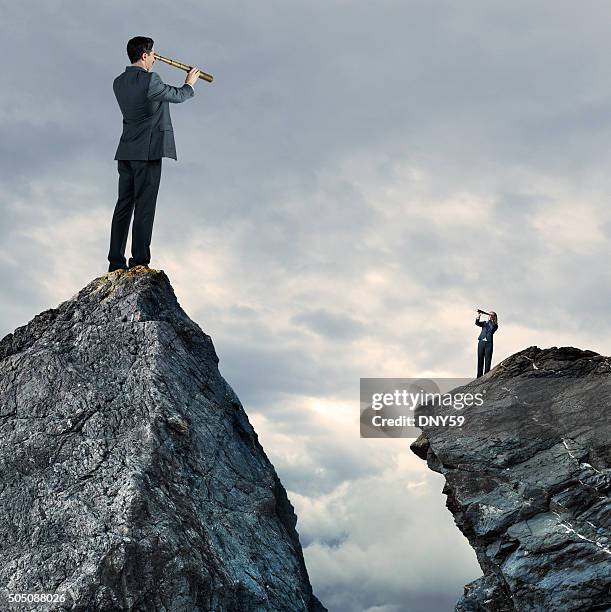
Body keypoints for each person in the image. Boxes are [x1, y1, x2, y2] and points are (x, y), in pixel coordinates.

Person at [107, 36, 201, 272]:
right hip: (147, 152)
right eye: (153, 55)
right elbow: (178, 95)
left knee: (123, 207)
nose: (155, 59)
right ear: (145, 55)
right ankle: (139, 261)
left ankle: (115, 263)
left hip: (126, 151)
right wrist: (190, 83)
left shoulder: (118, 82)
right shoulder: (151, 80)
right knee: (144, 207)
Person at [475, 310, 498, 377]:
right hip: (481, 342)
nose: (490, 316)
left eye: (491, 315)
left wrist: (491, 319)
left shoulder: (495, 325)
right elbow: (477, 323)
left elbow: (492, 329)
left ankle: (486, 376)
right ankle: (479, 377)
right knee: (480, 359)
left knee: (488, 360)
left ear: (494, 317)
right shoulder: (485, 323)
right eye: (489, 315)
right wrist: (479, 316)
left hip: (489, 344)